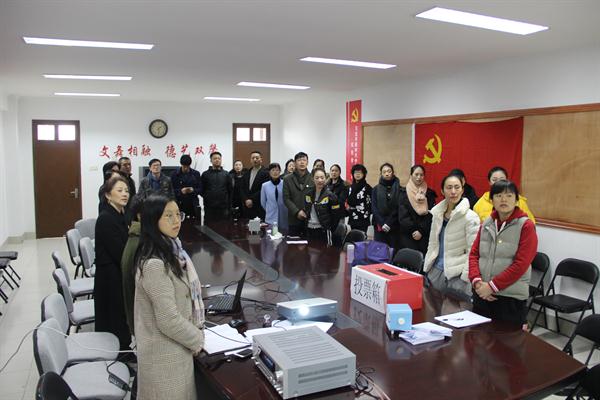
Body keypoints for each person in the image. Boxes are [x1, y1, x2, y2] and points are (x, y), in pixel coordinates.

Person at [133, 194, 205, 400]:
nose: (176, 221)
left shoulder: (173, 251)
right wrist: (199, 339)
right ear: (152, 220)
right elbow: (168, 320)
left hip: (176, 349)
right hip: (164, 359)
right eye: (168, 216)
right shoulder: (154, 264)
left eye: (178, 215)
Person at [469, 180, 538, 329]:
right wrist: (477, 281)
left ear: (517, 200)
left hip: (509, 297)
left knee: (507, 341)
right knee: (478, 337)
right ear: (492, 200)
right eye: (498, 195)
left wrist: (492, 286)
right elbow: (474, 254)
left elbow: (521, 264)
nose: (503, 199)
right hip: (482, 293)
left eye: (509, 195)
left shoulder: (526, 226)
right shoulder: (487, 223)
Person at [423, 174, 480, 296]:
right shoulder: (437, 213)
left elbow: (474, 251)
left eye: (457, 187)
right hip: (435, 271)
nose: (453, 192)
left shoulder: (471, 217)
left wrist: (465, 276)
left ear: (462, 190)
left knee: (454, 308)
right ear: (442, 191)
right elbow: (432, 243)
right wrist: (428, 266)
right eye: (449, 187)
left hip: (457, 275)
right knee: (431, 306)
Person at [94, 175, 131, 350]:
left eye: (126, 191)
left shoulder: (120, 214)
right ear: (108, 195)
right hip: (110, 277)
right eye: (120, 190)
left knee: (119, 316)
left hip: (116, 272)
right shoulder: (106, 218)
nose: (125, 194)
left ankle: (123, 349)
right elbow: (120, 252)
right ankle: (118, 353)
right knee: (113, 317)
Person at [397, 165, 436, 256]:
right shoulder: (403, 193)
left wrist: (421, 231)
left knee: (423, 260)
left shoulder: (429, 193)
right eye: (416, 174)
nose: (419, 177)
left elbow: (431, 214)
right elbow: (403, 216)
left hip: (424, 235)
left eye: (421, 175)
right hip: (408, 235)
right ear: (411, 175)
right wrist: (414, 230)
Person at [121, 195, 143, 338]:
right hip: (141, 323)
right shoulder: (140, 244)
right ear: (140, 216)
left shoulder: (136, 235)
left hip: (137, 320)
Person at [304, 168, 342, 245]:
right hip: (309, 229)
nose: (320, 180)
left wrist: (328, 228)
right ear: (312, 179)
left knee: (325, 251)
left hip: (323, 230)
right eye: (317, 178)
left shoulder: (331, 196)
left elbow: (336, 216)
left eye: (322, 177)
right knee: (309, 251)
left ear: (325, 178)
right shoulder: (308, 194)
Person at [283, 152, 314, 236]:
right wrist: (297, 212)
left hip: (310, 218)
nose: (302, 162)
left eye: (304, 160)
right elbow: (286, 198)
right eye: (299, 160)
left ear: (307, 162)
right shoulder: (287, 179)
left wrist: (306, 211)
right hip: (293, 218)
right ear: (295, 163)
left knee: (310, 242)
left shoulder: (313, 178)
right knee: (293, 242)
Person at [371, 163, 401, 250]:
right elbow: (374, 207)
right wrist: (382, 223)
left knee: (393, 251)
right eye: (384, 172)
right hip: (379, 226)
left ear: (393, 172)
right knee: (380, 251)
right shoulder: (376, 189)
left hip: (394, 225)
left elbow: (398, 207)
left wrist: (388, 223)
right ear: (381, 174)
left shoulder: (399, 189)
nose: (387, 174)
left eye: (389, 171)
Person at [200, 151, 232, 223]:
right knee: (209, 227)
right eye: (215, 158)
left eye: (219, 158)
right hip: (209, 207)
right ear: (211, 160)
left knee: (223, 227)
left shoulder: (226, 174)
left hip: (223, 207)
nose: (217, 160)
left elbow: (230, 190)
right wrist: (208, 196)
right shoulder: (205, 174)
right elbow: (202, 189)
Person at [240, 151, 270, 219]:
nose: (255, 159)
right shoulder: (246, 173)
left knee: (259, 224)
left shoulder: (266, 173)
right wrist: (246, 199)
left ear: (261, 159)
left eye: (257, 158)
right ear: (250, 160)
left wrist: (252, 199)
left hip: (259, 205)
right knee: (248, 224)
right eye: (253, 158)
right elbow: (242, 188)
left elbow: (263, 189)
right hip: (247, 206)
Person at [171, 154, 202, 219]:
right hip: (179, 204)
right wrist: (180, 191)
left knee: (193, 223)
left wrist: (193, 190)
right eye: (184, 166)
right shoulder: (174, 174)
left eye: (187, 166)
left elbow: (200, 189)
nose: (186, 168)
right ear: (181, 164)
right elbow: (171, 190)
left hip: (193, 204)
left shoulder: (196, 174)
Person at [260, 163, 288, 232]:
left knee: (284, 235)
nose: (275, 172)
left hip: (284, 215)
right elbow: (263, 202)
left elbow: (288, 199)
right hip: (270, 216)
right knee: (270, 235)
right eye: (273, 170)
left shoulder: (285, 183)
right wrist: (270, 209)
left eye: (277, 170)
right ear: (269, 172)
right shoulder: (265, 185)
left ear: (280, 171)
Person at [346, 164, 372, 233]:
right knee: (354, 236)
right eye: (355, 172)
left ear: (364, 174)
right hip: (353, 216)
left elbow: (371, 202)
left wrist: (367, 212)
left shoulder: (367, 187)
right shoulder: (350, 187)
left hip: (363, 218)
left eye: (360, 172)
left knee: (362, 236)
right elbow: (349, 201)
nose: (357, 174)